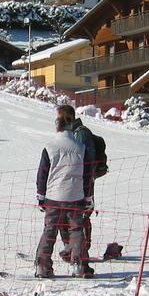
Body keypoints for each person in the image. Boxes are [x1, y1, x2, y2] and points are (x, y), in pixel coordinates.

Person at [34, 105, 94, 278]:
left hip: (53, 196)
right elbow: (87, 174)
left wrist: (41, 194)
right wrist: (88, 196)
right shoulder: (80, 147)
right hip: (75, 197)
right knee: (76, 231)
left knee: (49, 231)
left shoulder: (50, 147)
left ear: (57, 125)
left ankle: (42, 266)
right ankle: (78, 265)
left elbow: (42, 173)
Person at [56, 105, 104, 277]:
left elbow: (87, 163)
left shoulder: (81, 134)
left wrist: (87, 191)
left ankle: (82, 259)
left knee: (80, 222)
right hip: (70, 186)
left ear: (66, 117)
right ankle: (71, 251)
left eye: (59, 117)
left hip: (81, 187)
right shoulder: (70, 134)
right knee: (65, 220)